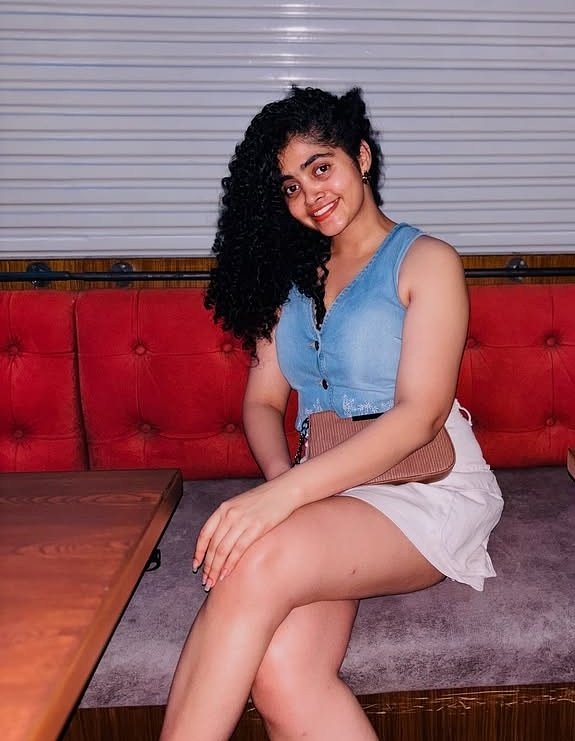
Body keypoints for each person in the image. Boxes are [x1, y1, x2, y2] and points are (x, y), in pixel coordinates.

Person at [160, 86, 503, 741]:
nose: (309, 195)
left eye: (321, 167)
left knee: (252, 557)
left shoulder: (426, 260)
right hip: (327, 484)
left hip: (424, 482)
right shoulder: (289, 277)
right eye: (290, 186)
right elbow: (263, 400)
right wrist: (282, 481)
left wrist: (284, 499)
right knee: (283, 676)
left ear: (361, 157)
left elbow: (419, 417)